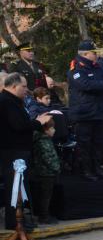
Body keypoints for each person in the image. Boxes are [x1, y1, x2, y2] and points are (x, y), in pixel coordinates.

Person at [0, 73, 51, 229]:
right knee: (15, 187)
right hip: (13, 151)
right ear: (14, 86)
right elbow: (19, 126)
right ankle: (16, 222)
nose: (26, 90)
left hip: (17, 149)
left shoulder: (12, 100)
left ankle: (20, 220)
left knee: (19, 186)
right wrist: (38, 122)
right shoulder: (7, 101)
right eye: (23, 86)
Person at [68, 40, 103, 181]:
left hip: (98, 111)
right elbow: (86, 85)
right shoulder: (76, 67)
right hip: (84, 112)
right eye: (94, 53)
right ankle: (86, 170)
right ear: (86, 54)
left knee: (98, 142)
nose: (96, 55)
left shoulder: (96, 66)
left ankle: (97, 168)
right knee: (85, 144)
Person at [31, 117, 60, 225]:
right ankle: (44, 217)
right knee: (46, 196)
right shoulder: (44, 142)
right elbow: (49, 159)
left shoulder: (40, 140)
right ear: (45, 130)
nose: (54, 130)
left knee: (43, 195)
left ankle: (42, 215)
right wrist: (56, 168)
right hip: (47, 173)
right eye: (52, 128)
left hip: (41, 172)